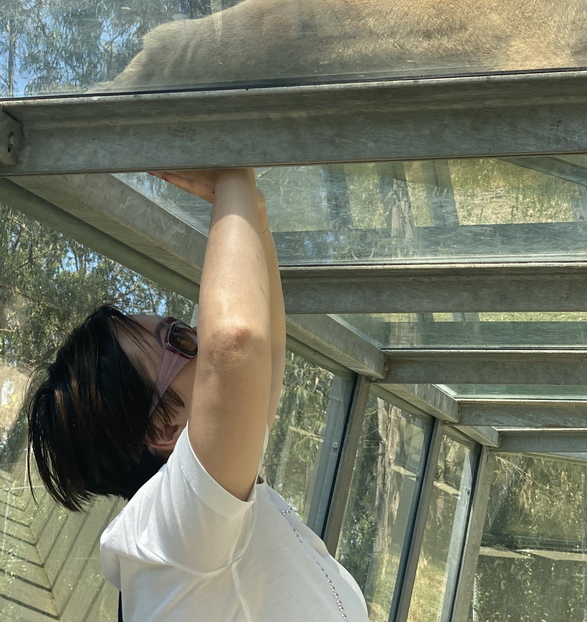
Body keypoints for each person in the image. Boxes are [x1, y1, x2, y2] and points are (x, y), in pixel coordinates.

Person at [26, 168, 369, 622]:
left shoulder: (202, 522)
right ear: (162, 426)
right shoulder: (175, 530)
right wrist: (233, 177)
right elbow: (237, 343)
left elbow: (259, 354)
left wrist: (255, 210)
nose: (204, 343)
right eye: (183, 341)